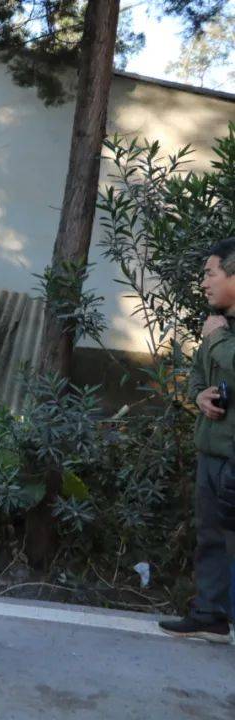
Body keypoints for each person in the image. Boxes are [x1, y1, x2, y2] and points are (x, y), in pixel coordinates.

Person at [158, 238, 235, 644]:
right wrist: (200, 395)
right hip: (213, 451)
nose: (203, 283)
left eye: (210, 274)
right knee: (210, 537)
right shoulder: (216, 327)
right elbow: (200, 377)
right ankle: (210, 613)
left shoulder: (219, 331)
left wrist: (219, 339)